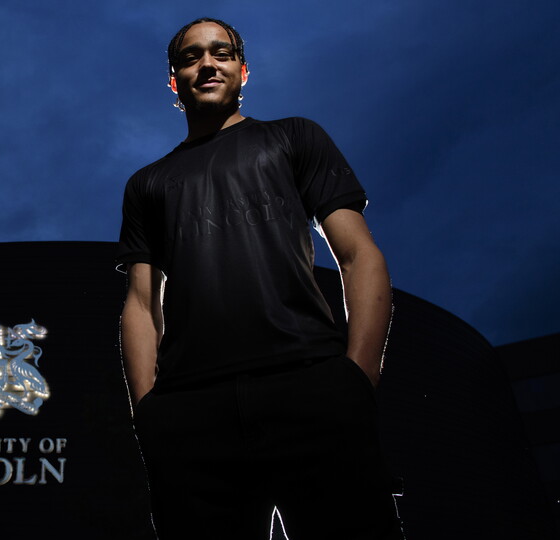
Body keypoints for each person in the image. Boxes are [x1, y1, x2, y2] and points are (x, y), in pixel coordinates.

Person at [116, 17, 404, 539]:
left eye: (221, 53)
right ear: (174, 80)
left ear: (243, 71)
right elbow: (140, 303)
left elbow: (358, 254)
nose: (207, 64)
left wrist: (358, 378)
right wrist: (148, 413)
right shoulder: (147, 184)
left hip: (311, 387)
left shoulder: (293, 137)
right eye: (191, 57)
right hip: (189, 410)